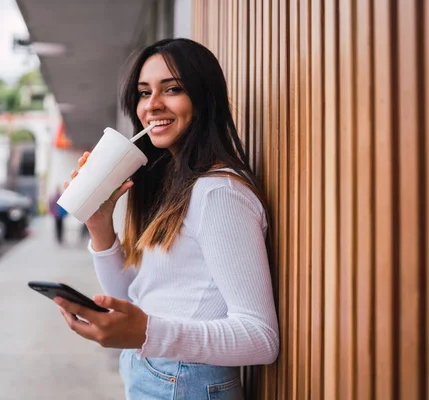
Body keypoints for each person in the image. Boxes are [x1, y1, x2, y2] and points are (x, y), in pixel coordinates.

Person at [56, 38, 279, 399]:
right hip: (155, 372)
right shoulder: (175, 184)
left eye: (172, 89)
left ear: (204, 98)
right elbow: (130, 298)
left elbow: (261, 338)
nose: (152, 105)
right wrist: (99, 225)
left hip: (184, 380)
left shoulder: (219, 193)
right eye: (144, 93)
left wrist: (147, 333)